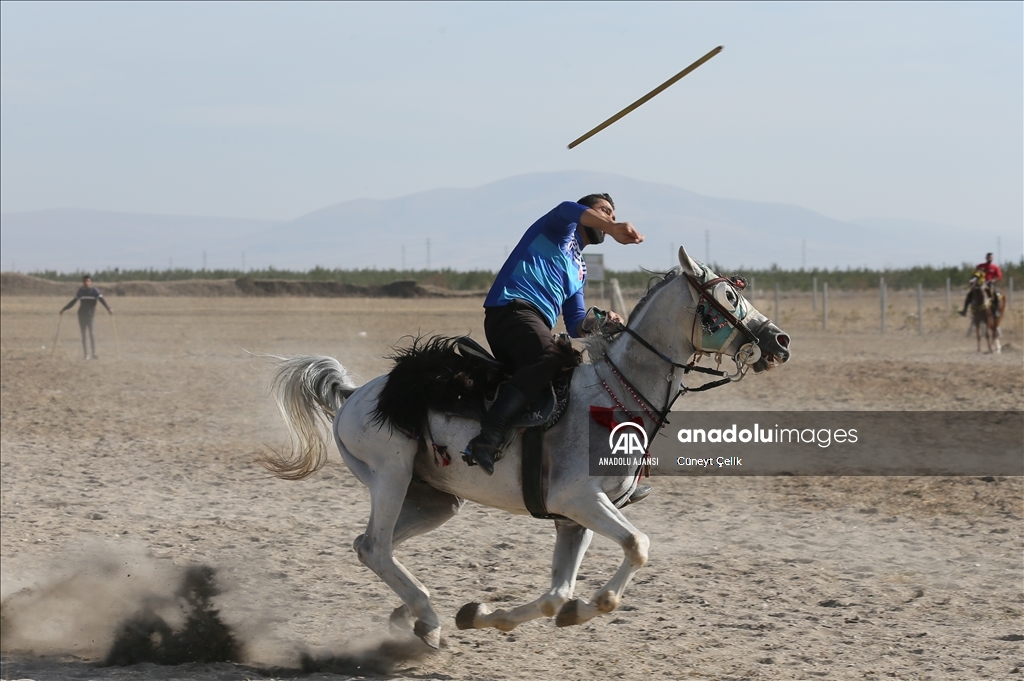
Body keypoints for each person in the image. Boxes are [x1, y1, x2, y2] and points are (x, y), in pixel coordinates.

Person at [464, 194, 644, 475]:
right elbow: (567, 209)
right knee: (549, 355)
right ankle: (489, 435)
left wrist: (602, 321)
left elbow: (575, 322)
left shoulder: (579, 268)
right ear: (587, 211)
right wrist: (613, 227)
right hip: (511, 311)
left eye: (613, 214)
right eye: (604, 211)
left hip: (534, 324)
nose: (609, 217)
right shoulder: (560, 229)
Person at [60, 275, 113, 359]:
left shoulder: (95, 291)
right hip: (81, 315)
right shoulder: (81, 291)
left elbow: (102, 300)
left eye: (88, 281)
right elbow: (73, 301)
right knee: (84, 335)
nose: (86, 283)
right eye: (84, 281)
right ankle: (86, 355)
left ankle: (94, 353)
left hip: (91, 316)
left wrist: (109, 309)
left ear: (91, 282)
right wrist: (64, 309)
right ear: (82, 282)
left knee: (92, 334)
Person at [960, 252, 1003, 317]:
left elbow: (999, 276)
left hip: (990, 284)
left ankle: (995, 311)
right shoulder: (980, 266)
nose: (989, 258)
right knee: (969, 294)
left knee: (995, 295)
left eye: (991, 257)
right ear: (986, 258)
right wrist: (973, 280)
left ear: (993, 258)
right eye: (988, 257)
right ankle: (964, 311)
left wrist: (993, 280)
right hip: (980, 284)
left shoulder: (995, 267)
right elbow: (975, 274)